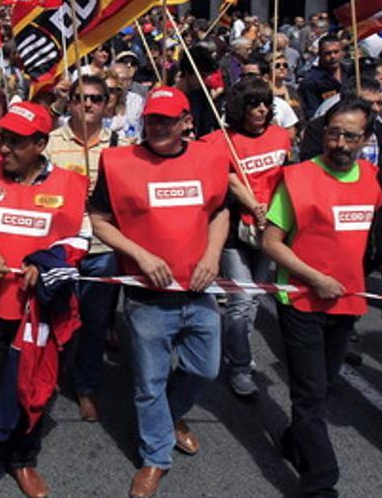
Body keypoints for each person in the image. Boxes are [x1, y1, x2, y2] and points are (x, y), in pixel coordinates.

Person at [88, 87, 230, 498]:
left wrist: (213, 254)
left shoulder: (210, 157)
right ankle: (155, 457)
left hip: (198, 291)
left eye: (168, 119)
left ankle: (168, 416)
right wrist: (140, 254)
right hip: (146, 299)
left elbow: (219, 211)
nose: (158, 126)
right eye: (152, 118)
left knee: (205, 368)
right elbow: (98, 219)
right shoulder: (117, 162)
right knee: (148, 384)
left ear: (187, 120)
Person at [0, 101, 90, 498]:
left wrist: (48, 265)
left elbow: (79, 238)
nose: (4, 149)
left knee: (33, 386)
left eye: (16, 142)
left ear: (41, 144)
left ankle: (22, 459)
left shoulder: (69, 184)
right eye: (3, 139)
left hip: (41, 311)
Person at [262, 98, 382, 497]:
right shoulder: (296, 178)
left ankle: (293, 440)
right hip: (300, 301)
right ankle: (320, 484)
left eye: (351, 135)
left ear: (365, 139)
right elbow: (272, 243)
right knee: (310, 393)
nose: (340, 143)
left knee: (325, 385)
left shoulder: (371, 178)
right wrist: (315, 278)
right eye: (334, 133)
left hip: (346, 303)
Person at [45, 75, 129, 422]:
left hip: (101, 250)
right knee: (55, 319)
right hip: (61, 248)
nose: (89, 104)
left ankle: (85, 387)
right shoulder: (49, 143)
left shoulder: (120, 145)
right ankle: (49, 378)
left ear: (107, 103)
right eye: (81, 98)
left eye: (96, 98)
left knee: (94, 324)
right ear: (70, 102)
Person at [205, 76, 293, 397]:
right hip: (235, 230)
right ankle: (240, 366)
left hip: (270, 229)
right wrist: (253, 205)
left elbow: (287, 176)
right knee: (241, 300)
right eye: (253, 103)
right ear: (240, 107)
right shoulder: (221, 140)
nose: (260, 109)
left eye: (265, 103)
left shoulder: (281, 136)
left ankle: (237, 346)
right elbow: (229, 178)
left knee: (255, 295)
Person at [301, 35, 345, 118]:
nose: (333, 56)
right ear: (319, 54)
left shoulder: (351, 72)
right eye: (328, 53)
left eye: (336, 52)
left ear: (342, 52)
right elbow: (312, 112)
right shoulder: (311, 80)